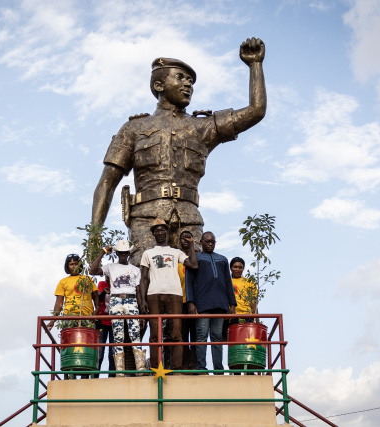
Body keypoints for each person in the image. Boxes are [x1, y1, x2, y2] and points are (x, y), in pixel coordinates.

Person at [91, 38, 267, 266]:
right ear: (158, 86)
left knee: (195, 281)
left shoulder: (201, 127)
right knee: (146, 280)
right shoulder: (134, 128)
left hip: (189, 220)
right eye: (181, 78)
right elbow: (107, 182)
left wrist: (255, 66)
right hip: (146, 218)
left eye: (191, 81)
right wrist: (94, 236)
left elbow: (256, 111)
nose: (188, 84)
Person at [139, 218, 198, 371]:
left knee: (176, 332)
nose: (159, 232)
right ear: (153, 233)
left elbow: (193, 265)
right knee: (154, 334)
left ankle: (177, 369)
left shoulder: (176, 252)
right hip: (154, 294)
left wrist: (191, 245)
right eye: (156, 230)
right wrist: (143, 301)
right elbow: (144, 278)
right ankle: (155, 368)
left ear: (166, 232)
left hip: (174, 294)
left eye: (162, 229)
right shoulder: (148, 253)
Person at [89, 240, 146, 377]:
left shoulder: (136, 269)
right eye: (120, 252)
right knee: (118, 335)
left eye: (125, 252)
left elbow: (138, 291)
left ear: (128, 253)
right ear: (117, 253)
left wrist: (141, 311)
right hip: (115, 300)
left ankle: (141, 368)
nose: (123, 255)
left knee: (135, 334)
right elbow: (92, 270)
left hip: (131, 300)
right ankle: (119, 370)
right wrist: (103, 252)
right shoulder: (111, 267)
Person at [186, 232, 237, 372]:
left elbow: (228, 283)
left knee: (217, 338)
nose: (210, 244)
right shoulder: (195, 258)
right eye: (207, 241)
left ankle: (218, 369)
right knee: (201, 336)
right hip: (202, 304)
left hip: (220, 304)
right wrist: (190, 302)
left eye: (213, 242)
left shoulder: (222, 259)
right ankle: (202, 368)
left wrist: (232, 304)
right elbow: (188, 281)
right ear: (201, 242)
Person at [48, 254, 99, 330]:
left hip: (87, 316)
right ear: (67, 266)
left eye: (76, 264)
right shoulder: (63, 282)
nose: (74, 266)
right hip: (69, 317)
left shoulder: (87, 279)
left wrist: (97, 310)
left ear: (80, 265)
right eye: (71, 264)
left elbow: (95, 296)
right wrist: (53, 320)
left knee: (88, 340)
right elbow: (59, 303)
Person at [178, 230, 197, 371]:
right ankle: (184, 365)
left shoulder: (197, 257)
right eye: (182, 238)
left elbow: (195, 267)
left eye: (188, 237)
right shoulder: (176, 258)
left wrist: (192, 246)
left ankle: (194, 364)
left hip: (195, 302)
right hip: (180, 301)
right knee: (183, 335)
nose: (185, 240)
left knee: (196, 335)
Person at [94, 280, 115, 378]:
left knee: (113, 353)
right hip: (102, 321)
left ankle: (112, 377)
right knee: (99, 352)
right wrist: (103, 292)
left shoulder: (118, 283)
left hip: (115, 322)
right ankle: (94, 377)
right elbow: (97, 299)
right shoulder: (102, 284)